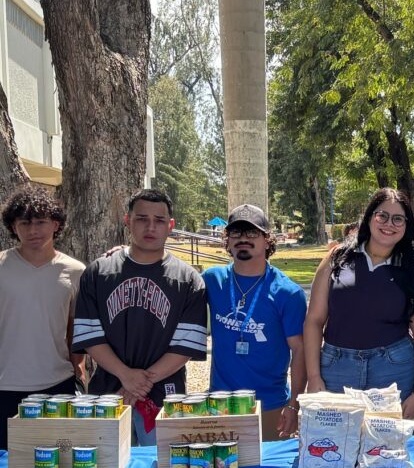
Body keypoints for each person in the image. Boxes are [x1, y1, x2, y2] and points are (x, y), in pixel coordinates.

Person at [72, 189, 208, 445]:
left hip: (164, 398)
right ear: (128, 221)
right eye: (142, 218)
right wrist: (125, 375)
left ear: (170, 226)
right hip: (107, 395)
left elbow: (185, 346)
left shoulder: (189, 280)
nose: (150, 227)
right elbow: (90, 336)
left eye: (159, 220)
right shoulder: (99, 272)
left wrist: (137, 384)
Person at [304, 188, 414, 419]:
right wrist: (314, 377)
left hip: (393, 370)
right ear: (369, 217)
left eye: (398, 219)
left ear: (406, 225)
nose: (389, 224)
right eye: (382, 215)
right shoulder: (337, 258)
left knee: (386, 450)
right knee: (335, 450)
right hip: (336, 369)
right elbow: (314, 321)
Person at [203, 204, 307, 439]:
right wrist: (128, 252)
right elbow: (172, 280)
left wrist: (294, 405)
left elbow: (300, 352)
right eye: (236, 233)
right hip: (220, 403)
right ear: (227, 240)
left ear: (267, 239)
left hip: (270, 404)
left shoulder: (287, 293)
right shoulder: (212, 280)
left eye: (252, 233)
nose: (243, 239)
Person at [0, 186, 85, 450]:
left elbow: (75, 330)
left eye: (40, 222)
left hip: (57, 384)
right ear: (13, 226)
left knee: (56, 463)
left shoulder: (75, 271)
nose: (32, 230)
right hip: (5, 384)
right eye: (24, 222)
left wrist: (79, 370)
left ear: (56, 224)